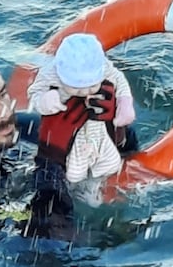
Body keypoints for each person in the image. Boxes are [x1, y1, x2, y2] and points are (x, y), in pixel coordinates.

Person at [27, 33, 136, 206]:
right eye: (77, 88)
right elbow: (35, 92)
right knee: (52, 182)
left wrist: (125, 106)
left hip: (99, 131)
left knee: (115, 152)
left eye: (92, 86)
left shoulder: (106, 69)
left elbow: (120, 83)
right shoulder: (50, 73)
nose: (86, 93)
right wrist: (45, 99)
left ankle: (100, 184)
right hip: (61, 145)